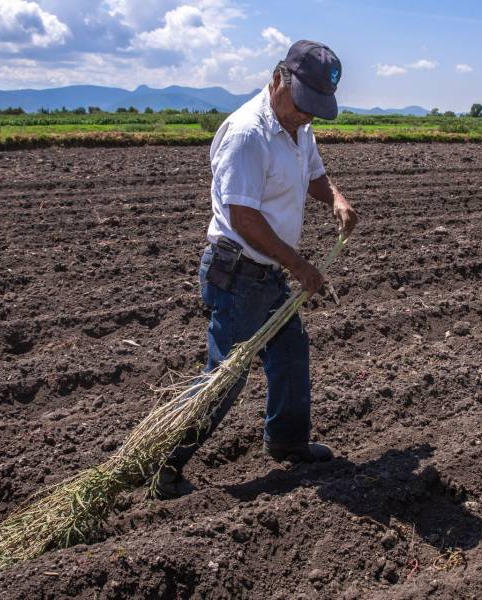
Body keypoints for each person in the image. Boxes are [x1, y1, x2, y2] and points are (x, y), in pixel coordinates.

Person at [158, 40, 358, 496]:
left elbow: (313, 174)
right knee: (226, 376)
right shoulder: (249, 133)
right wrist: (300, 265)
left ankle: (287, 443)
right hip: (238, 272)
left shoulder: (297, 127)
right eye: (302, 105)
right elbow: (244, 218)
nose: (306, 116)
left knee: (290, 356)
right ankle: (163, 464)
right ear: (277, 80)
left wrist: (338, 199)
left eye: (314, 109)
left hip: (267, 272)